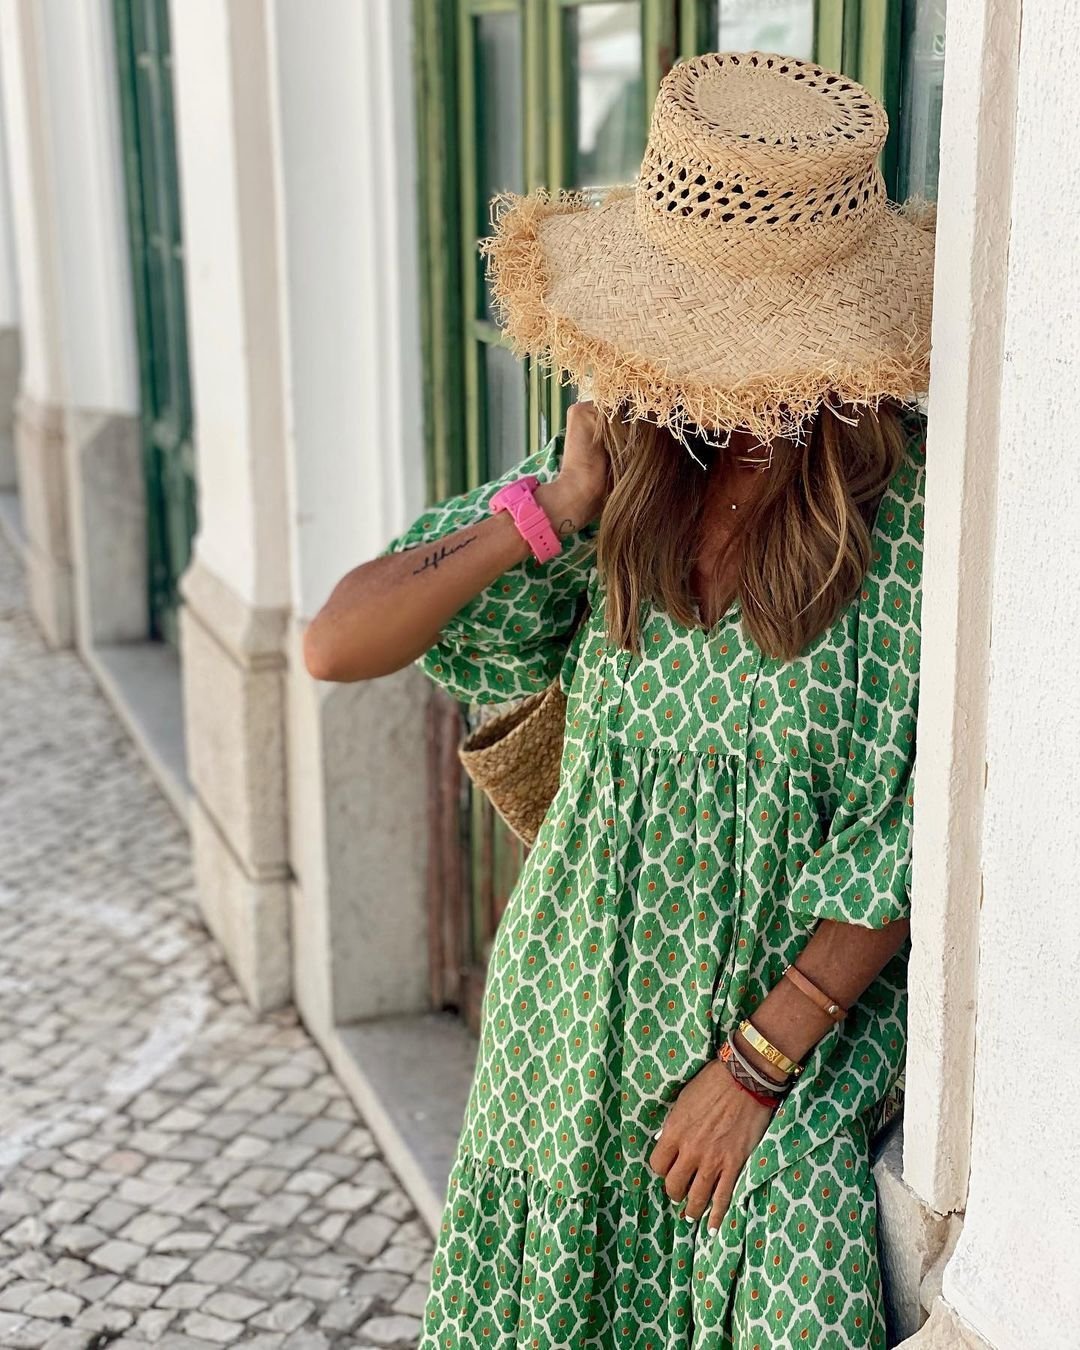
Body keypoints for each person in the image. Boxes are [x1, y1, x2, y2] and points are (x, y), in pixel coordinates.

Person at [304, 49, 934, 1350]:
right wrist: (546, 514)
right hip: (568, 1019)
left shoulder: (904, 522)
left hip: (782, 1040)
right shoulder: (625, 472)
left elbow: (910, 828)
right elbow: (335, 641)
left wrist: (761, 1064)